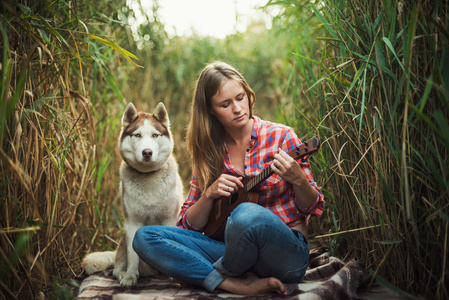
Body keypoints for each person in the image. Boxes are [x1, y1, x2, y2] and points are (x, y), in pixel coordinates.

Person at [133, 61, 324, 295]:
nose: (238, 108)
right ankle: (232, 283)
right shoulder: (208, 152)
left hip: (285, 256)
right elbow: (187, 224)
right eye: (225, 104)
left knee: (245, 214)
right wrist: (210, 194)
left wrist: (299, 179)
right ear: (210, 110)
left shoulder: (282, 137)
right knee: (144, 236)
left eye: (240, 97)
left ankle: (216, 273)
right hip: (230, 250)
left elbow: (312, 206)